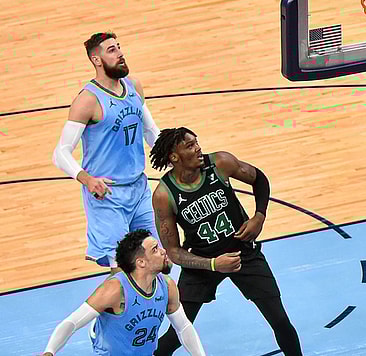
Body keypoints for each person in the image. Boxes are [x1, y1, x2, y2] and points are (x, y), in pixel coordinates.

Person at [149, 127, 302, 356]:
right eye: (190, 145)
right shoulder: (164, 195)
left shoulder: (220, 163)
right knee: (175, 335)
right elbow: (173, 251)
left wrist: (259, 216)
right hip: (202, 262)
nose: (198, 147)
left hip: (243, 254)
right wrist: (212, 264)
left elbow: (259, 179)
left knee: (280, 321)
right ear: (174, 156)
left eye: (196, 142)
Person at [52, 32, 162, 270]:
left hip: (139, 189)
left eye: (119, 47)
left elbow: (150, 130)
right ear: (96, 60)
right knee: (123, 272)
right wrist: (87, 179)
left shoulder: (133, 86)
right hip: (107, 196)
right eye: (111, 50)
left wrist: (173, 159)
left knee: (157, 263)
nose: (120, 53)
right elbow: (60, 152)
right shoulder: (87, 100)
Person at [41, 229, 206, 356]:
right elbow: (73, 322)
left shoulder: (167, 286)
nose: (163, 251)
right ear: (141, 262)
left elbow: (183, 326)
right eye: (155, 250)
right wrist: (50, 351)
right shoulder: (115, 290)